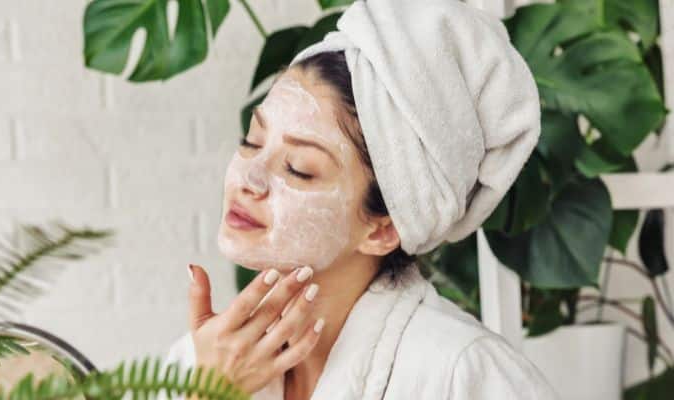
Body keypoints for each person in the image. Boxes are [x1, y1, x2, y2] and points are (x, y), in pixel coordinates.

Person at [162, 0, 559, 399]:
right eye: (252, 141)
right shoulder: (202, 361)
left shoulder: (464, 374)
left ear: (384, 229)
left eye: (298, 167)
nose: (249, 178)